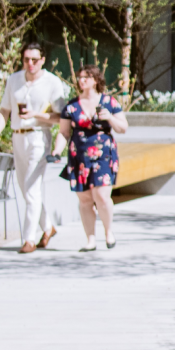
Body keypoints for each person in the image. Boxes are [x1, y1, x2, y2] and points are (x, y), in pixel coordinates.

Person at [0, 43, 70, 252]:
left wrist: (36, 115)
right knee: (26, 189)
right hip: (17, 137)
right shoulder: (14, 79)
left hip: (38, 137)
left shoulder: (52, 83)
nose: (30, 64)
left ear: (43, 60)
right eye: (27, 59)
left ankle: (29, 239)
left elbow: (61, 117)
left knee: (32, 188)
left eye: (35, 60)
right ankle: (48, 226)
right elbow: (4, 110)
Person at [57, 64, 127, 251]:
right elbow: (63, 133)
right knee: (85, 200)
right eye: (80, 77)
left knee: (102, 196)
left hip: (103, 155)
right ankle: (90, 240)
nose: (81, 80)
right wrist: (56, 152)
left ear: (95, 80)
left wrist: (110, 118)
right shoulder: (71, 106)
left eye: (85, 77)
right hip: (79, 157)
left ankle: (108, 231)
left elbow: (123, 127)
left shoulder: (109, 102)